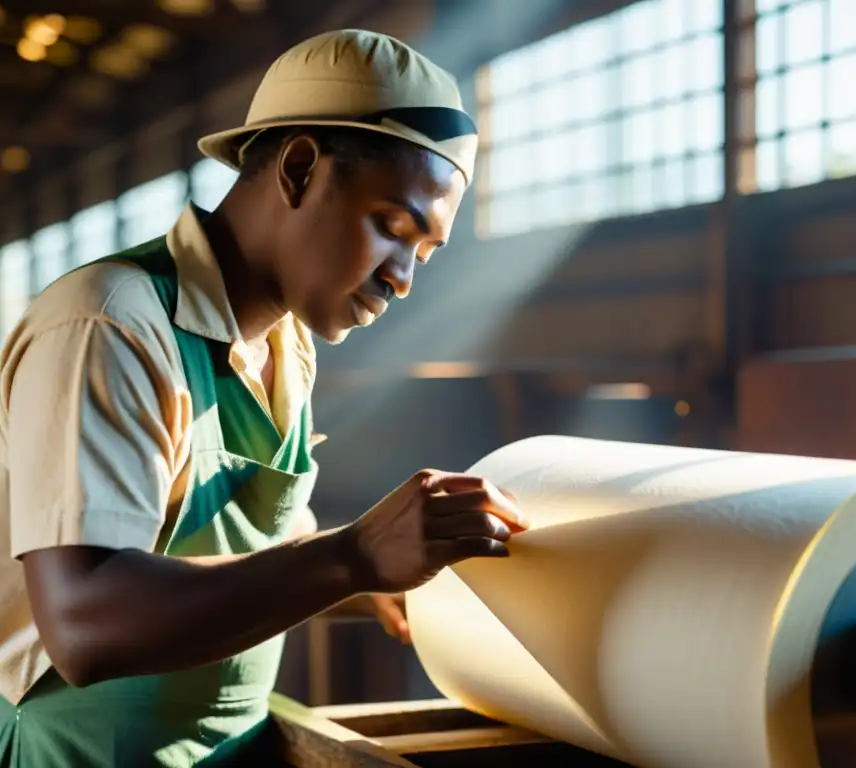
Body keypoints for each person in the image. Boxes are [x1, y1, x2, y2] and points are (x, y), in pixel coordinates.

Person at [0, 28, 528, 767]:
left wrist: (376, 582)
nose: (403, 277)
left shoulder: (288, 348)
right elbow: (87, 624)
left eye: (424, 251)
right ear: (301, 169)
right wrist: (354, 557)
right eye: (392, 227)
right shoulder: (111, 323)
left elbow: (252, 559)